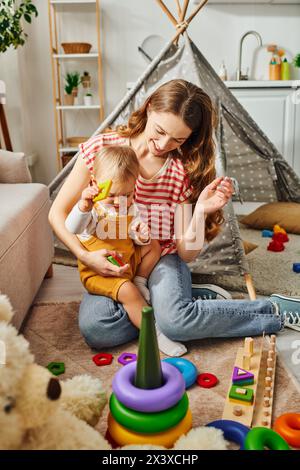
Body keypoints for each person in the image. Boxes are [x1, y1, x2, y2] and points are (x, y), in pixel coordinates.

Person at [49, 79, 300, 353]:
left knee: (175, 323)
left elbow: (186, 253)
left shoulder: (181, 170)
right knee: (98, 329)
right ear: (147, 109)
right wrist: (84, 255)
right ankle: (181, 306)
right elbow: (57, 214)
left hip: (159, 258)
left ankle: (272, 310)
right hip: (112, 258)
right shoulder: (102, 150)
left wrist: (201, 210)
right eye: (159, 131)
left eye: (178, 139)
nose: (163, 144)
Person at [65, 144, 187, 356]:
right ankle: (155, 333)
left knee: (154, 246)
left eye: (127, 194)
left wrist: (141, 234)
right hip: (100, 272)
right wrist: (83, 205)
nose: (120, 201)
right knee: (129, 293)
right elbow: (72, 228)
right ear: (95, 184)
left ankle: (140, 280)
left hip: (128, 263)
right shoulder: (92, 209)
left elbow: (134, 233)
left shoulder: (130, 206)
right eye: (112, 195)